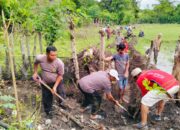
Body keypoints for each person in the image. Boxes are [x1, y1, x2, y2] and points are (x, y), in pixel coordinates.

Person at [32, 46, 66, 118]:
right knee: (46, 97)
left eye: (56, 55)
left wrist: (55, 87)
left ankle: (62, 104)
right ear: (47, 54)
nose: (54, 57)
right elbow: (35, 63)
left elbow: (60, 75)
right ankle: (48, 111)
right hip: (45, 82)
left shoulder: (59, 63)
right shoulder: (40, 58)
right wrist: (35, 73)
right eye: (52, 55)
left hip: (57, 81)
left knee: (61, 93)